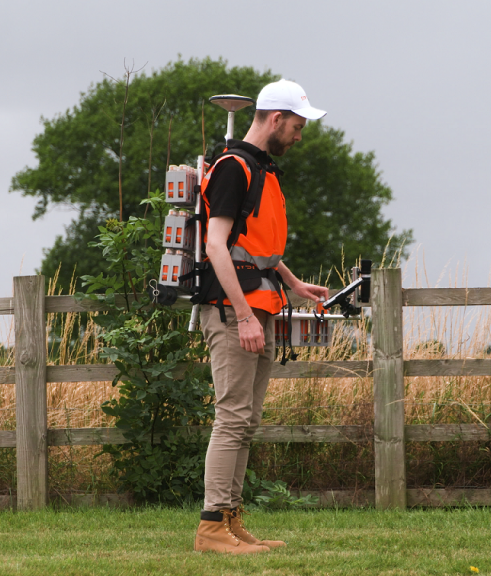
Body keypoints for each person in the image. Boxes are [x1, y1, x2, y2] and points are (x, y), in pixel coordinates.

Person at [193, 79, 329, 554]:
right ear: (275, 119)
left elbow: (255, 246)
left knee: (246, 420)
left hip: (260, 304)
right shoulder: (234, 169)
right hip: (235, 311)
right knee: (231, 418)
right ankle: (212, 527)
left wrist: (292, 283)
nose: (298, 135)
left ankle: (230, 521)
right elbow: (216, 246)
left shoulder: (262, 169)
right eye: (296, 126)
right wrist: (245, 315)